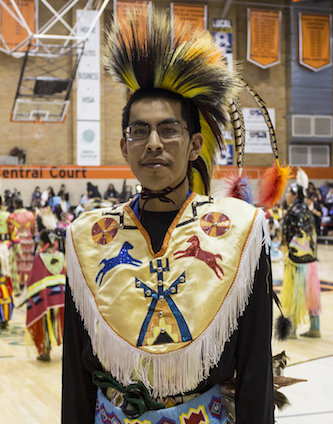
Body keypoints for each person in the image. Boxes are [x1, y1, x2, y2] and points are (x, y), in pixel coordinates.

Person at [62, 9, 276, 424]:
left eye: (169, 129)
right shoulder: (87, 239)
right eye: (139, 131)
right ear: (124, 148)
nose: (153, 143)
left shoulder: (240, 233)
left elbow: (255, 371)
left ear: (194, 144)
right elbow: (75, 378)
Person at [281, 183, 321, 338]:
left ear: (295, 194)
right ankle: (315, 328)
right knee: (311, 293)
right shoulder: (306, 210)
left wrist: (290, 251)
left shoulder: (295, 211)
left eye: (288, 193)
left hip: (297, 259)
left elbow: (297, 234)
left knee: (294, 292)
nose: (286, 195)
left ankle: (291, 330)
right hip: (310, 258)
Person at [25, 229, 65, 361]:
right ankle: (68, 353)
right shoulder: (60, 255)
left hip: (46, 299)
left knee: (46, 324)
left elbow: (32, 279)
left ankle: (46, 352)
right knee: (62, 324)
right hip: (62, 298)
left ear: (42, 242)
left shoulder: (39, 258)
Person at [9, 196, 35, 291]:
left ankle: (20, 283)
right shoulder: (30, 214)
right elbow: (33, 230)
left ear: (14, 204)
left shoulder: (12, 216)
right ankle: (28, 282)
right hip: (28, 240)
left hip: (18, 241)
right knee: (28, 261)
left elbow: (11, 230)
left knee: (19, 262)